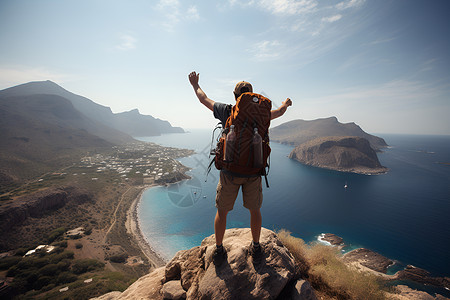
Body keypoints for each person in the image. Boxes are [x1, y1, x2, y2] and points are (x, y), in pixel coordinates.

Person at [188, 71, 292, 266]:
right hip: (254, 171)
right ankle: (256, 246)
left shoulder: (228, 110)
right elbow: (279, 112)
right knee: (255, 210)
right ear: (251, 95)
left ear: (236, 96)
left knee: (222, 211)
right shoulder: (262, 116)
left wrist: (195, 84)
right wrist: (286, 103)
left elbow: (204, 99)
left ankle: (219, 250)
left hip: (229, 172)